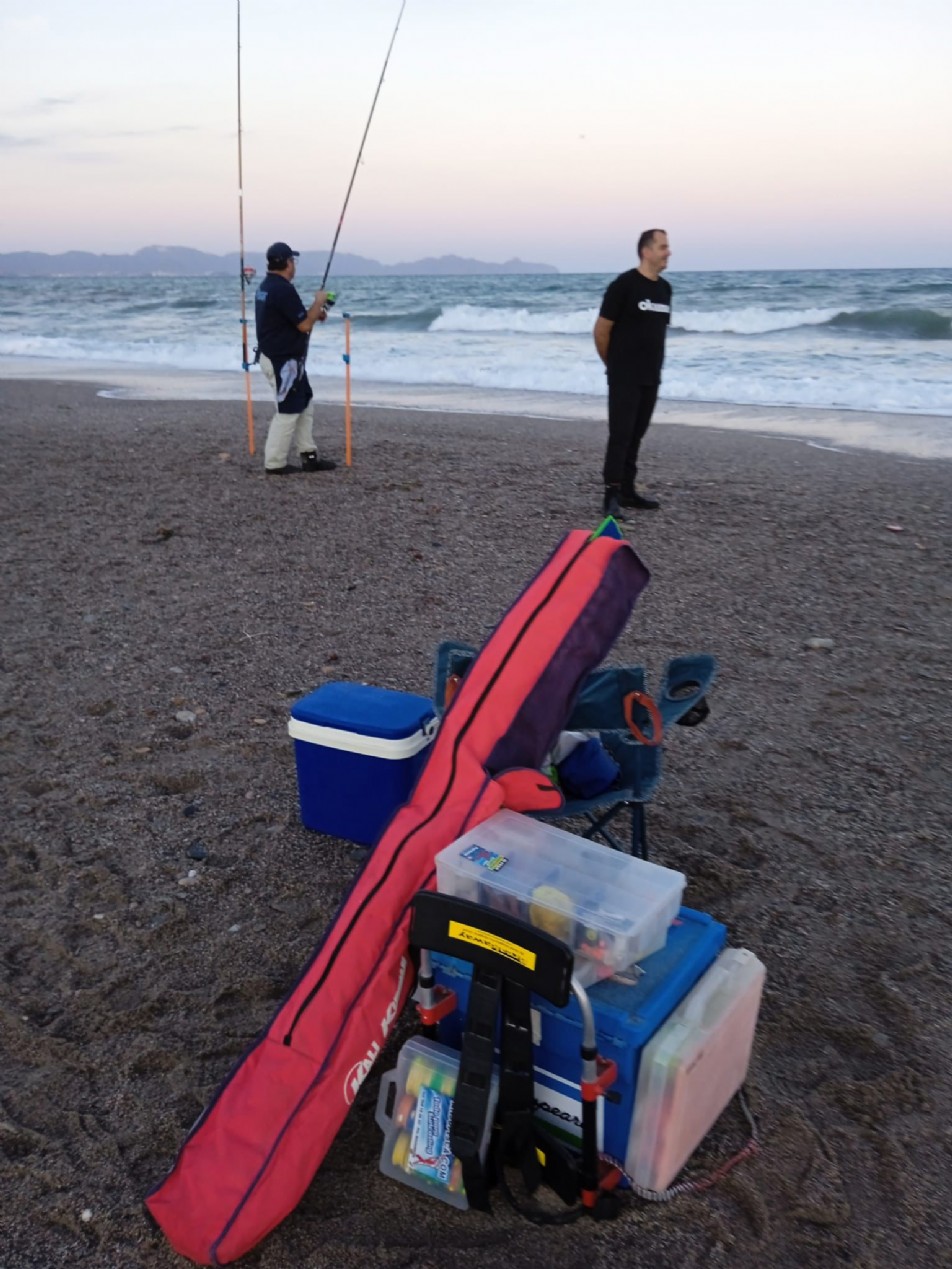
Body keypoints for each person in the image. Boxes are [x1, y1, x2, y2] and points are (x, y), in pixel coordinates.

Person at [593, 228, 672, 517]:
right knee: (620, 435)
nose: (668, 252)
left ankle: (628, 491)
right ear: (646, 251)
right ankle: (611, 496)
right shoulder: (623, 286)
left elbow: (655, 333)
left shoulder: (664, 289)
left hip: (651, 375)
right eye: (663, 247)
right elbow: (602, 330)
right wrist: (613, 364)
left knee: (637, 434)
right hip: (624, 375)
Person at [254, 242, 337, 476]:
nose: (294, 265)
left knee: (305, 403)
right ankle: (274, 463)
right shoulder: (282, 289)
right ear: (286, 263)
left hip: (286, 360)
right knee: (289, 410)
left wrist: (315, 312)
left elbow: (298, 318)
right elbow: (303, 325)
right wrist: (319, 302)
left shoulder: (269, 286)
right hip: (282, 362)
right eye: (292, 261)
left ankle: (309, 456)